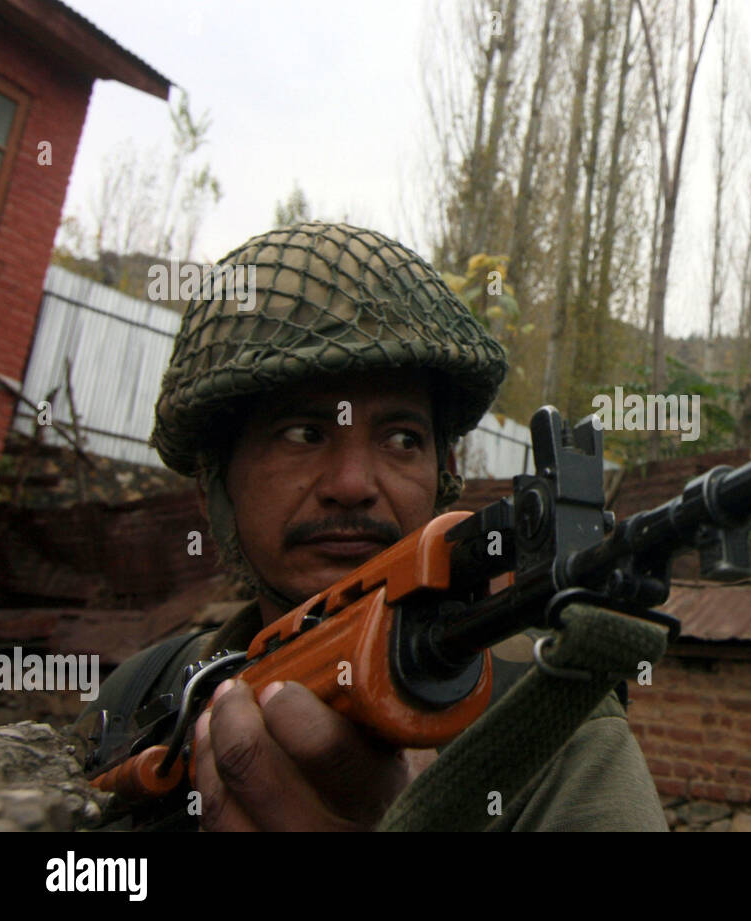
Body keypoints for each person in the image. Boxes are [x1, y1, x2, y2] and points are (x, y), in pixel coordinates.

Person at [78, 222, 667, 831]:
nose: (354, 483)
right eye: (303, 433)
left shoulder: (548, 718)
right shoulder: (138, 696)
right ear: (212, 486)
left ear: (444, 475)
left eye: (401, 438)